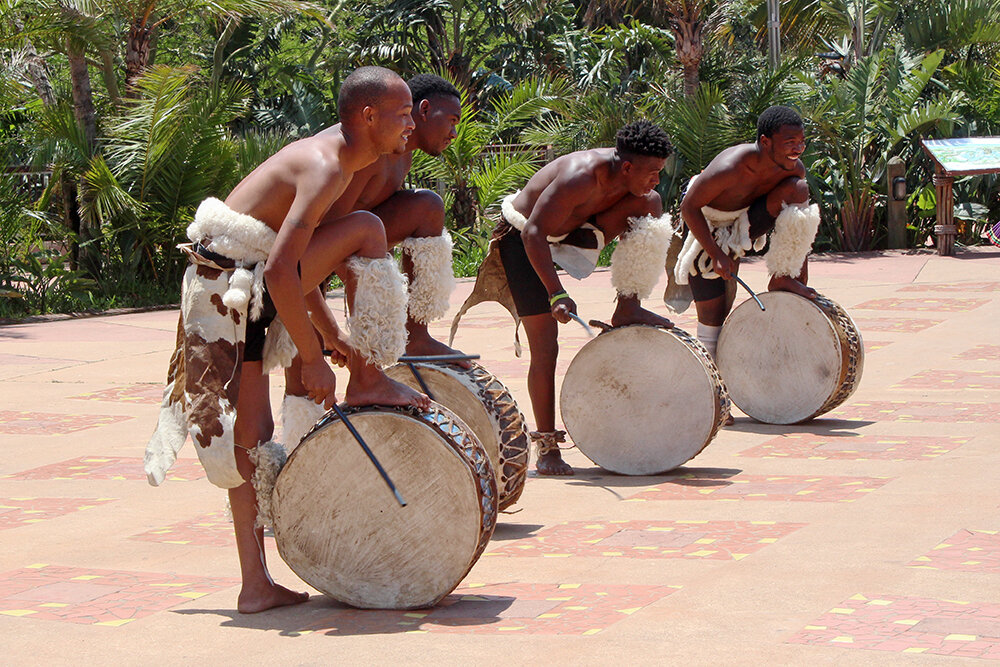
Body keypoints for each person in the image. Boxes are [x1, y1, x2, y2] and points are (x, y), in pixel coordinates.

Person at [144, 66, 430, 614]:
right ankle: (368, 380)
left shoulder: (346, 162)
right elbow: (281, 272)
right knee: (367, 229)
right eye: (401, 114)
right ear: (367, 116)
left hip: (237, 282)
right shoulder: (327, 167)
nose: (409, 125)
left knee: (254, 433)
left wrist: (332, 336)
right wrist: (312, 356)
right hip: (226, 288)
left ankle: (256, 588)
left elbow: (295, 269)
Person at [453, 120, 676, 476]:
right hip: (526, 238)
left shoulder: (637, 188)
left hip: (574, 233)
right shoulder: (581, 176)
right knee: (547, 346)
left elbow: (642, 204)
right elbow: (535, 233)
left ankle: (628, 305)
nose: (656, 179)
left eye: (660, 172)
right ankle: (546, 445)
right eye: (652, 172)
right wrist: (556, 292)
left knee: (651, 205)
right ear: (628, 167)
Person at [322, 74, 468, 365]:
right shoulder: (366, 147)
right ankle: (365, 368)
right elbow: (328, 227)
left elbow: (375, 224)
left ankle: (417, 337)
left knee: (428, 205)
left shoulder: (403, 154)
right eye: (452, 121)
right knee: (303, 366)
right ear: (424, 110)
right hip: (307, 254)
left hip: (358, 243)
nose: (454, 133)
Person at [666, 105, 821, 360]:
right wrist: (715, 254)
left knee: (798, 189)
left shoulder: (792, 168)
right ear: (765, 142)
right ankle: (711, 383)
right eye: (790, 142)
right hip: (707, 225)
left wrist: (796, 277)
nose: (798, 149)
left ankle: (782, 276)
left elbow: (798, 225)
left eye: (801, 142)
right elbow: (689, 207)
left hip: (747, 222)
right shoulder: (730, 166)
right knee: (713, 320)